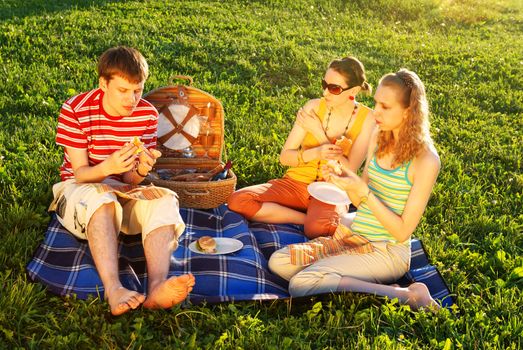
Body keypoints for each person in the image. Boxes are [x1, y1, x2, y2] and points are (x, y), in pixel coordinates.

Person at [268, 69, 441, 310]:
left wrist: (363, 191)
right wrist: (344, 180)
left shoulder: (426, 161)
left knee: (301, 283)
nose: (376, 112)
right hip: (357, 234)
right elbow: (360, 201)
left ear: (408, 112)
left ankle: (407, 294)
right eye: (376, 103)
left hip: (388, 251)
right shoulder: (379, 138)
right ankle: (338, 274)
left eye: (385, 107)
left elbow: (402, 232)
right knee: (279, 262)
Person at [49, 46, 195, 315]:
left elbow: (131, 178)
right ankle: (114, 288)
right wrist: (108, 166)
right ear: (103, 83)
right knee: (102, 199)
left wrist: (141, 170)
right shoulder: (75, 110)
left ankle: (157, 286)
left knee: (164, 199)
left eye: (138, 90)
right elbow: (79, 172)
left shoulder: (147, 115)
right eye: (123, 91)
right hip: (80, 188)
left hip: (123, 190)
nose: (132, 100)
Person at [228, 57, 375, 238]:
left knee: (318, 230)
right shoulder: (313, 107)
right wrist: (315, 153)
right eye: (324, 84)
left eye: (334, 88)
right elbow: (285, 157)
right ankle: (306, 219)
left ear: (353, 91)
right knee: (238, 201)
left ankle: (317, 220)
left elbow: (350, 168)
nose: (325, 92)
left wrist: (320, 135)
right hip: (295, 184)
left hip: (331, 190)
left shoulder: (368, 119)